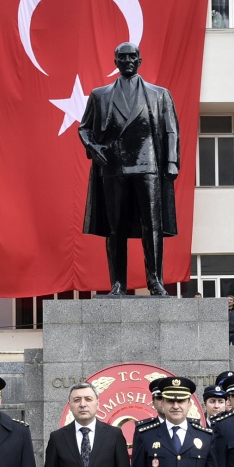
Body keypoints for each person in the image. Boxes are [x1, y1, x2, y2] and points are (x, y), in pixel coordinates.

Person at [78, 41, 181, 295]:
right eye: (122, 58)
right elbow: (84, 129)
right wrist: (94, 148)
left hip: (149, 165)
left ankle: (155, 281)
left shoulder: (159, 94)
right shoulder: (100, 95)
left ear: (140, 60)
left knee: (153, 225)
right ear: (115, 62)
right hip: (114, 166)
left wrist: (171, 161)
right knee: (115, 228)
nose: (127, 61)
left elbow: (171, 130)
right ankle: (117, 283)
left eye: (132, 57)